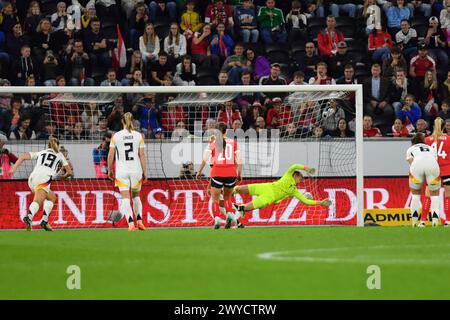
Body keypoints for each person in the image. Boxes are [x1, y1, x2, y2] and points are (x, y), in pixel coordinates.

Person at [8, 137, 73, 231]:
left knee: (52, 197)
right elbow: (69, 172)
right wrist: (63, 177)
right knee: (38, 201)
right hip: (44, 179)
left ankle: (44, 221)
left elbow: (23, 157)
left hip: (32, 179)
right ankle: (29, 217)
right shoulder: (60, 155)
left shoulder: (41, 152)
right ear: (57, 146)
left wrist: (13, 168)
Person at [232, 164, 330, 217]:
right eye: (301, 178)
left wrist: (320, 202)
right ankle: (224, 191)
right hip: (266, 187)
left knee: (245, 207)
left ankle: (242, 208)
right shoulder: (288, 175)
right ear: (295, 175)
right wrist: (306, 168)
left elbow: (306, 201)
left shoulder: (294, 190)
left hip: (269, 197)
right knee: (238, 189)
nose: (301, 180)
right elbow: (294, 166)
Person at [196, 123, 242, 229]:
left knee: (215, 199)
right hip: (231, 173)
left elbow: (205, 158)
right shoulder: (233, 142)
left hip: (217, 172)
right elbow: (239, 160)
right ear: (226, 131)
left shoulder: (213, 142)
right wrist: (239, 174)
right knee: (227, 198)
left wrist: (199, 171)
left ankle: (217, 219)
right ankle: (230, 214)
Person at [107, 113, 148, 232]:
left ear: (122, 121)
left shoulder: (116, 136)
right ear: (133, 121)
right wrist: (145, 171)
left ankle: (130, 223)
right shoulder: (138, 136)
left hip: (122, 171)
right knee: (136, 196)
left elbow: (110, 154)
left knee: (125, 197)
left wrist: (110, 170)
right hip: (136, 170)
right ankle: (140, 221)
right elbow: (142, 155)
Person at [406, 133, 441, 227]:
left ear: (412, 142)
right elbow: (434, 161)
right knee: (434, 195)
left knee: (415, 194)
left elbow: (411, 163)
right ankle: (435, 221)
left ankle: (414, 222)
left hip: (417, 166)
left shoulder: (411, 149)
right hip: (433, 166)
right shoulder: (431, 148)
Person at [423, 118, 450, 226]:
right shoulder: (448, 139)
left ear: (433, 126)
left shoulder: (427, 139)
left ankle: (423, 221)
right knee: (448, 196)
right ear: (444, 127)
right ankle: (448, 221)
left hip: (432, 170)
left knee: (428, 195)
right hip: (447, 169)